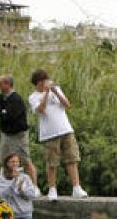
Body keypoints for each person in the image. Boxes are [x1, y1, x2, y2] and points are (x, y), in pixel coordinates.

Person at [28, 68, 87, 201]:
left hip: (65, 129)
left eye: (46, 80)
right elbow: (41, 110)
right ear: (38, 83)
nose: (46, 83)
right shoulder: (33, 97)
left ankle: (76, 187)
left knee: (72, 159)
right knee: (52, 163)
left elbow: (67, 105)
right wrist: (47, 93)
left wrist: (55, 91)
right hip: (49, 134)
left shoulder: (56, 89)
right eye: (43, 81)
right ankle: (52, 189)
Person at [0, 75, 37, 185]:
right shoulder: (0, 98)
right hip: (5, 134)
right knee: (3, 160)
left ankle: (34, 186)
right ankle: (3, 185)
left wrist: (1, 111)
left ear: (8, 84)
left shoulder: (16, 99)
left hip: (18, 135)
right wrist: (2, 111)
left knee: (25, 160)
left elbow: (11, 116)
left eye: (0, 84)